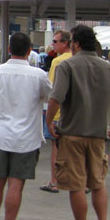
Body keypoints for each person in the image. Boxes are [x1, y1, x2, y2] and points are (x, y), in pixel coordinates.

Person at [0, 32, 51, 220]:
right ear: (30, 51)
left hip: (1, 134)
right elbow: (50, 97)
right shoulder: (39, 75)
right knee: (16, 184)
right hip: (27, 138)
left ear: (9, 49)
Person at [46, 25, 110, 220]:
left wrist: (49, 121)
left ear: (77, 43)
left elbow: (56, 97)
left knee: (77, 185)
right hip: (98, 133)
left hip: (73, 132)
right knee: (98, 183)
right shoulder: (106, 66)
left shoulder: (67, 66)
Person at [40, 30, 72, 193]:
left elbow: (53, 89)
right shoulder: (77, 59)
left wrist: (49, 116)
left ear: (65, 43)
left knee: (56, 148)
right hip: (75, 113)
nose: (53, 44)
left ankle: (55, 180)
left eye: (55, 41)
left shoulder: (58, 61)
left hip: (59, 112)